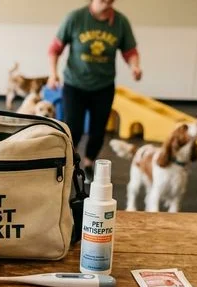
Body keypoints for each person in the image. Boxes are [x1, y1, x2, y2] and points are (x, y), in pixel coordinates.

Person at [48, 0, 141, 181]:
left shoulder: (120, 22)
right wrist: (53, 74)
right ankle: (70, 164)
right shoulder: (76, 18)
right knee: (73, 128)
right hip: (74, 84)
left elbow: (130, 51)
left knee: (98, 131)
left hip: (103, 86)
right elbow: (54, 49)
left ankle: (89, 162)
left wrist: (135, 67)